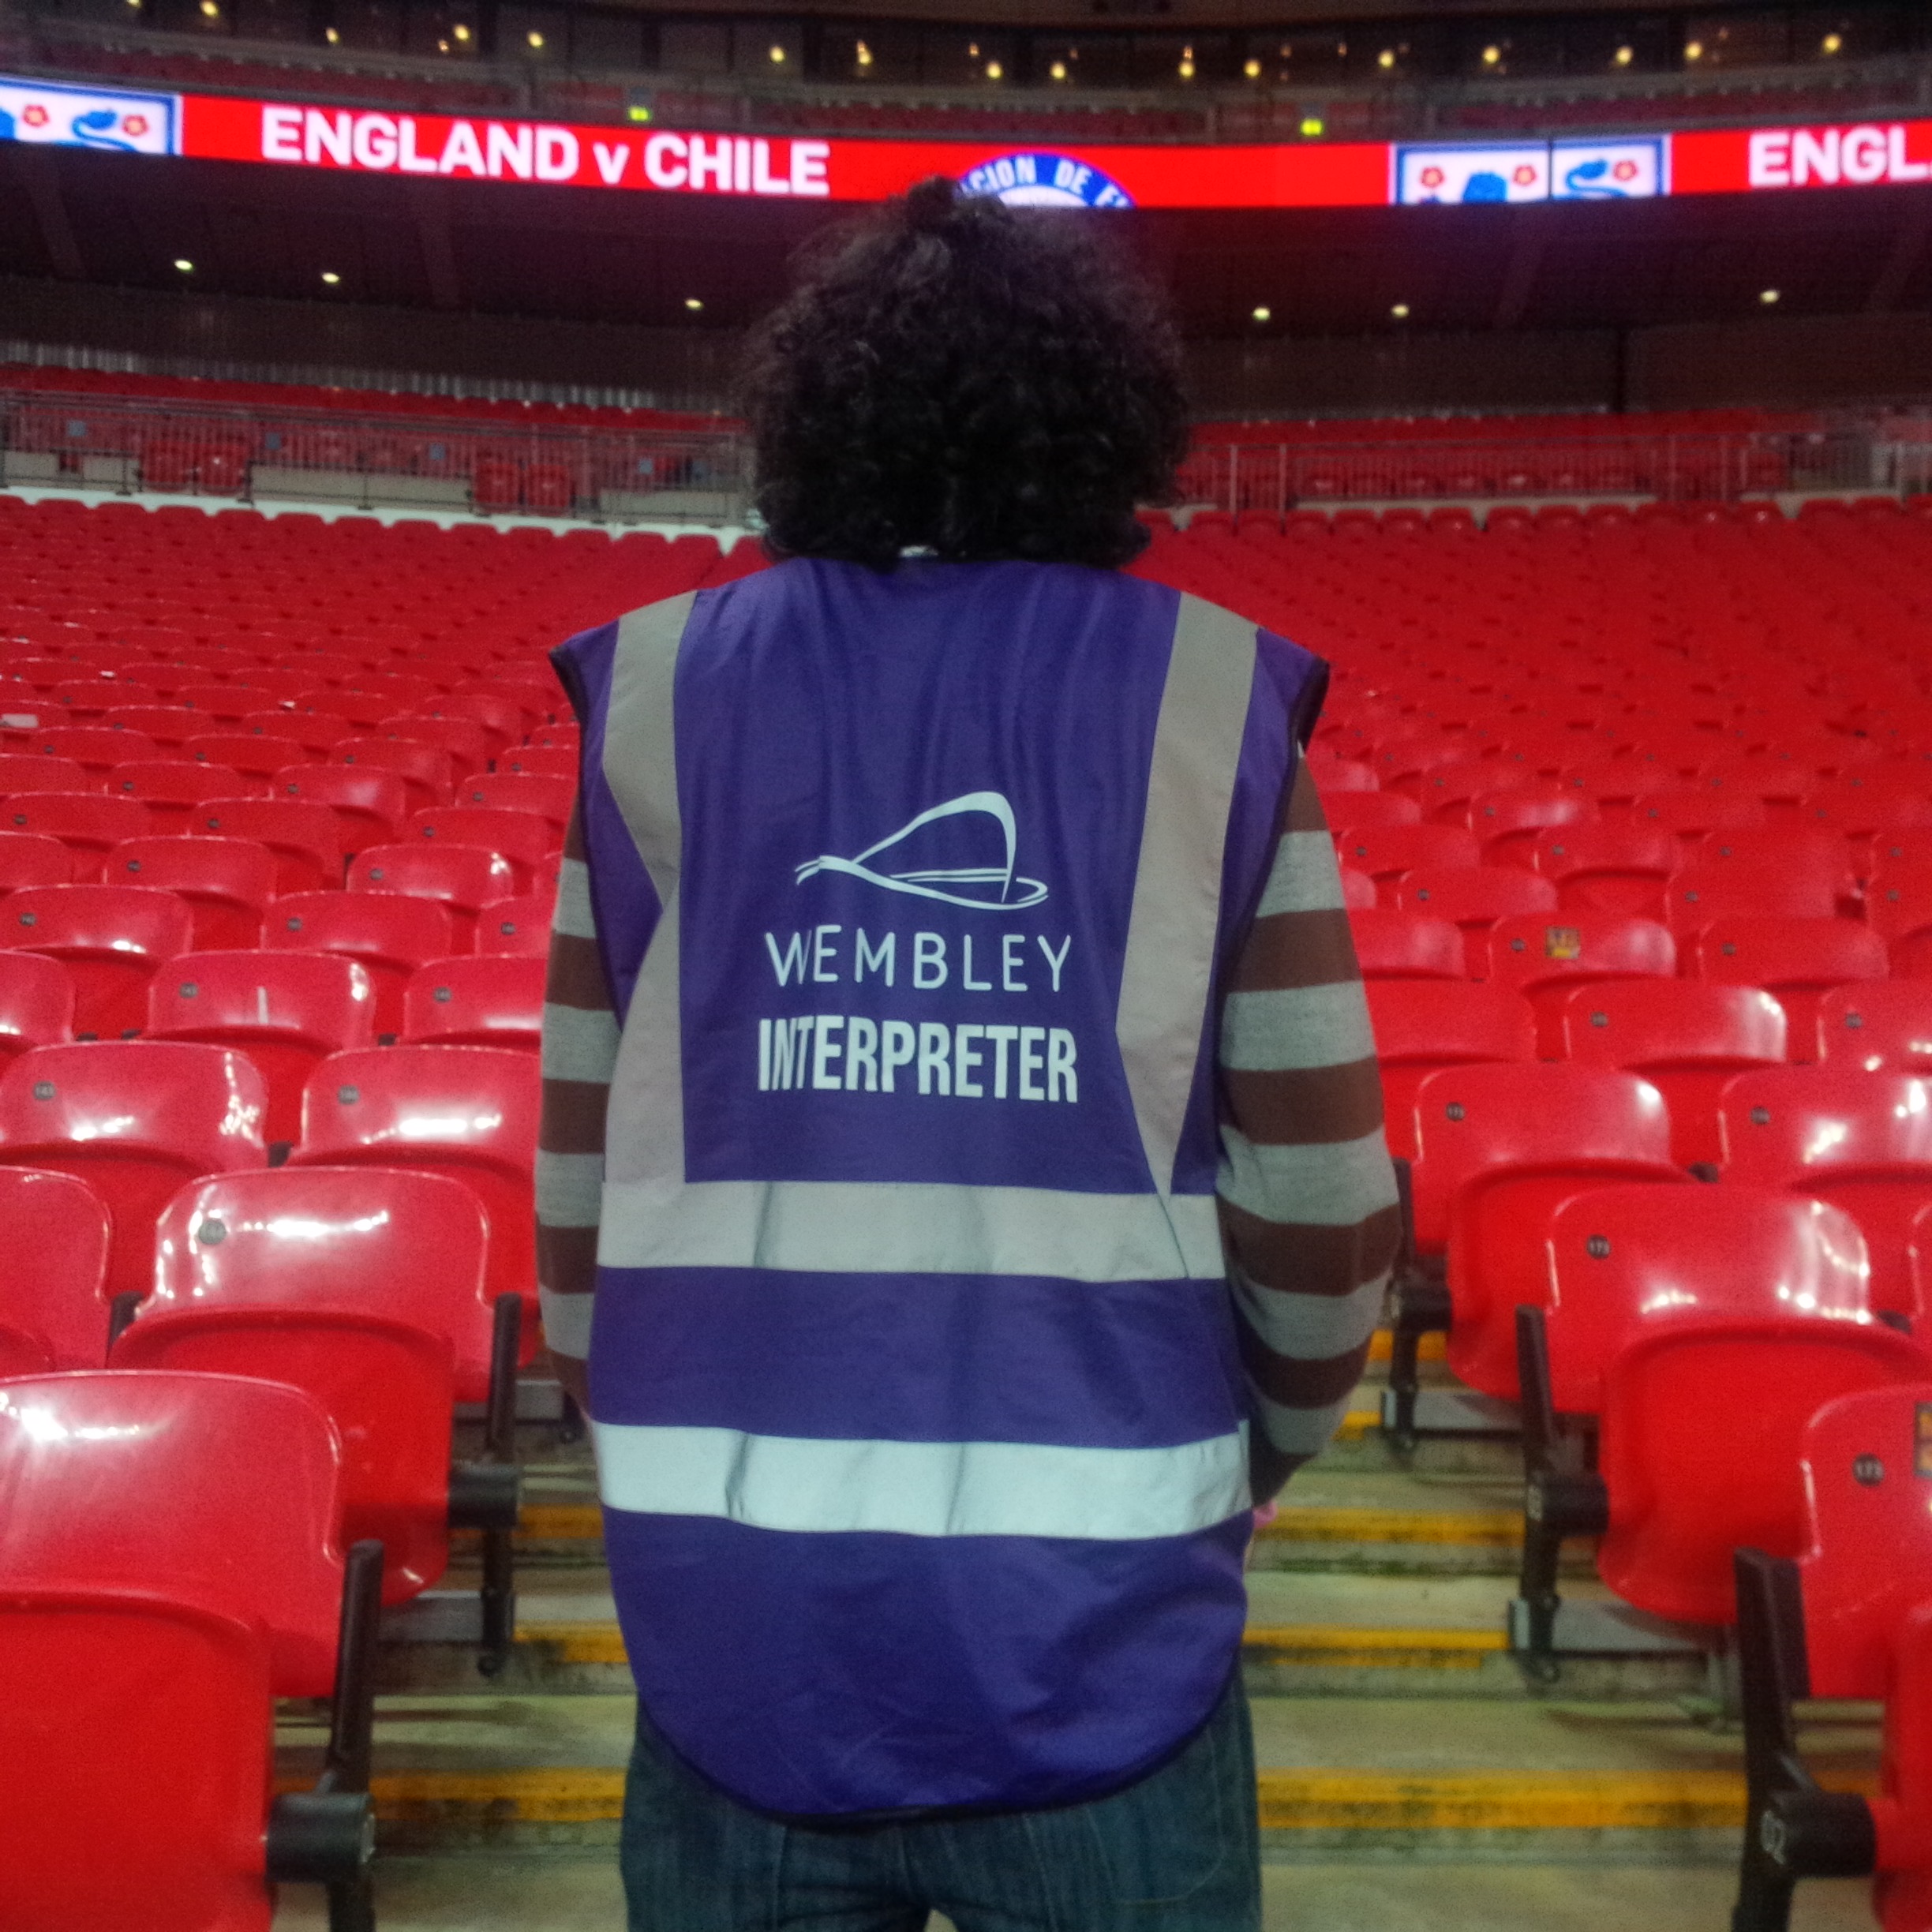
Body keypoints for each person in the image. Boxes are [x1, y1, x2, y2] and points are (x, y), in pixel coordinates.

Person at [535, 175, 1397, 1932]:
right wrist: (1235, 1466)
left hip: (736, 1642)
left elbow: (577, 1210)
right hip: (1104, 1646)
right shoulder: (1213, 705)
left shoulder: (655, 692)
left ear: (812, 416)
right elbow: (1321, 1213)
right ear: (1109, 425)